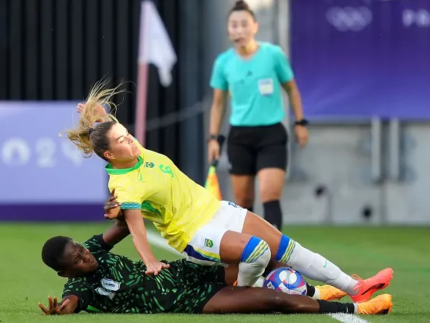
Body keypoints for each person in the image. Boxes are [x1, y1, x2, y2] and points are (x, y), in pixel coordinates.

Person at [64, 79, 392, 303]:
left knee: (288, 248)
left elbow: (108, 127)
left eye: (127, 134)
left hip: (218, 210)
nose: (130, 139)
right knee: (259, 252)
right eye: (121, 140)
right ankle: (247, 296)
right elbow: (136, 229)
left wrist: (96, 117)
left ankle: (356, 287)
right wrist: (150, 261)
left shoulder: (136, 151)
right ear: (109, 155)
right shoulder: (123, 184)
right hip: (193, 233)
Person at [38, 221, 393, 315]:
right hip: (192, 301)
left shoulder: (96, 247)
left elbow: (122, 224)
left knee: (266, 257)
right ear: (66, 274)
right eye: (77, 261)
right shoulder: (78, 291)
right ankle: (358, 307)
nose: (86, 256)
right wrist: (59, 313)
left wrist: (119, 206)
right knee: (273, 302)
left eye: (81, 249)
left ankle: (325, 288)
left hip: (186, 273)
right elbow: (69, 307)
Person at [207, 0, 307, 230]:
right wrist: (213, 138)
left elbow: (291, 89)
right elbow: (218, 103)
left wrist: (300, 122)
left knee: (270, 195)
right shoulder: (223, 63)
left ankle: (275, 257)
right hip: (239, 137)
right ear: (228, 29)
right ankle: (252, 257)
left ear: (255, 26)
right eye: (234, 25)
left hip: (271, 134)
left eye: (244, 24)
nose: (239, 30)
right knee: (243, 203)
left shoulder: (273, 55)